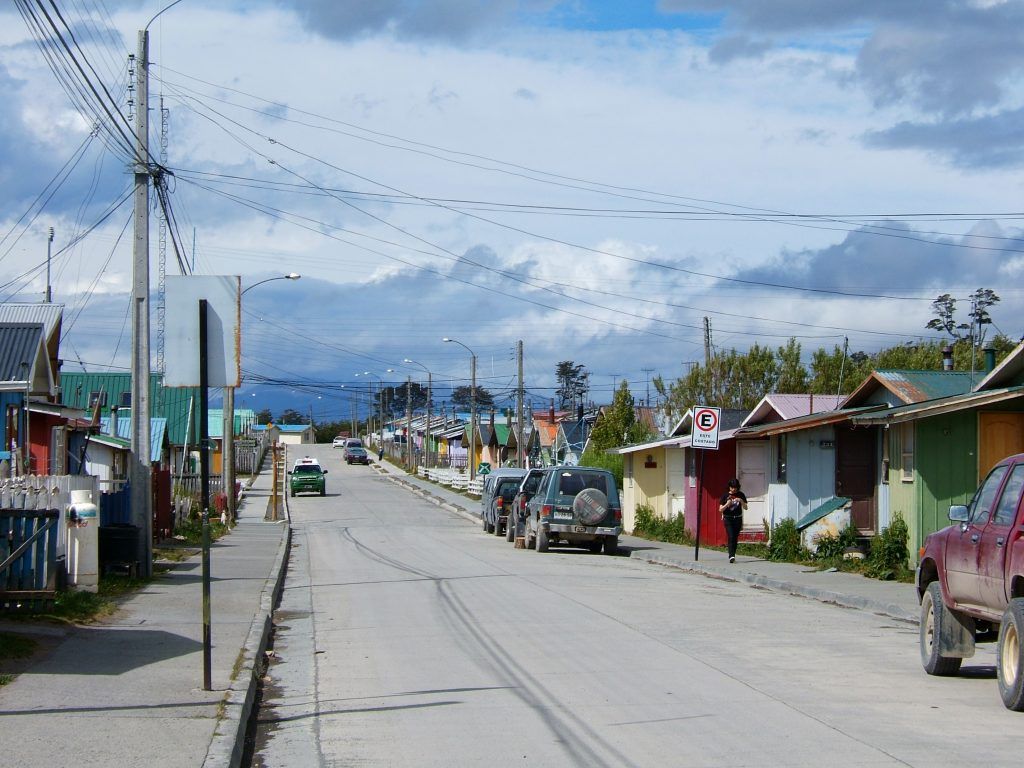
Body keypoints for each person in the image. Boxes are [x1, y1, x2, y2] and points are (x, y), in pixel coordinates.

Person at [718, 478, 747, 563]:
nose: (734, 489)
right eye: (732, 487)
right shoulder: (725, 496)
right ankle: (731, 556)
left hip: (738, 518)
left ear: (738, 487)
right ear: (729, 487)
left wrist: (741, 501)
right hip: (728, 518)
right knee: (731, 536)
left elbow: (746, 507)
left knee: (735, 537)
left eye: (735, 487)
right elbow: (720, 510)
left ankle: (733, 553)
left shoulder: (741, 495)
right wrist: (727, 504)